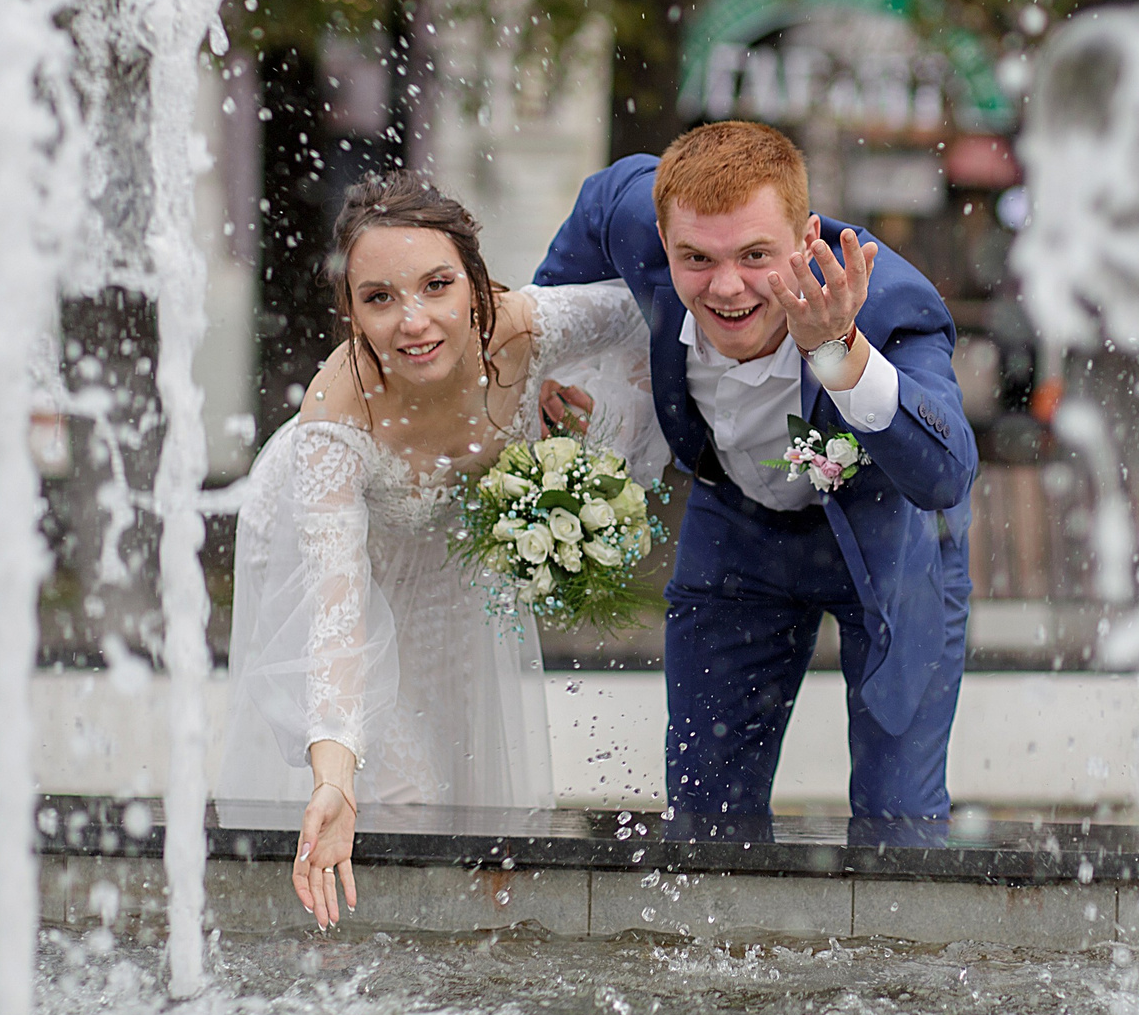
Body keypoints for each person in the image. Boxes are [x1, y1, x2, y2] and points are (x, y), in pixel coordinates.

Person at [215, 174, 661, 927]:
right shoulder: (334, 425)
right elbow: (336, 622)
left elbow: (650, 309)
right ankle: (358, 946)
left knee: (464, 764)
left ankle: (471, 948)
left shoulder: (526, 329)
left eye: (436, 285)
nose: (413, 321)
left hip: (444, 550)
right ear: (350, 310)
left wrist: (583, 397)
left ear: (477, 286)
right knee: (399, 784)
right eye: (379, 297)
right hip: (324, 547)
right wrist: (333, 775)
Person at [532, 121, 978, 822]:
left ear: (807, 239)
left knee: (900, 822)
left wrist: (836, 353)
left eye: (755, 254)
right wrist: (542, 356)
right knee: (706, 815)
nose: (727, 286)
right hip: (737, 529)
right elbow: (597, 205)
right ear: (662, 237)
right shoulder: (634, 217)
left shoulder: (888, 300)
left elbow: (946, 475)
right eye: (697, 259)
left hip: (889, 540)